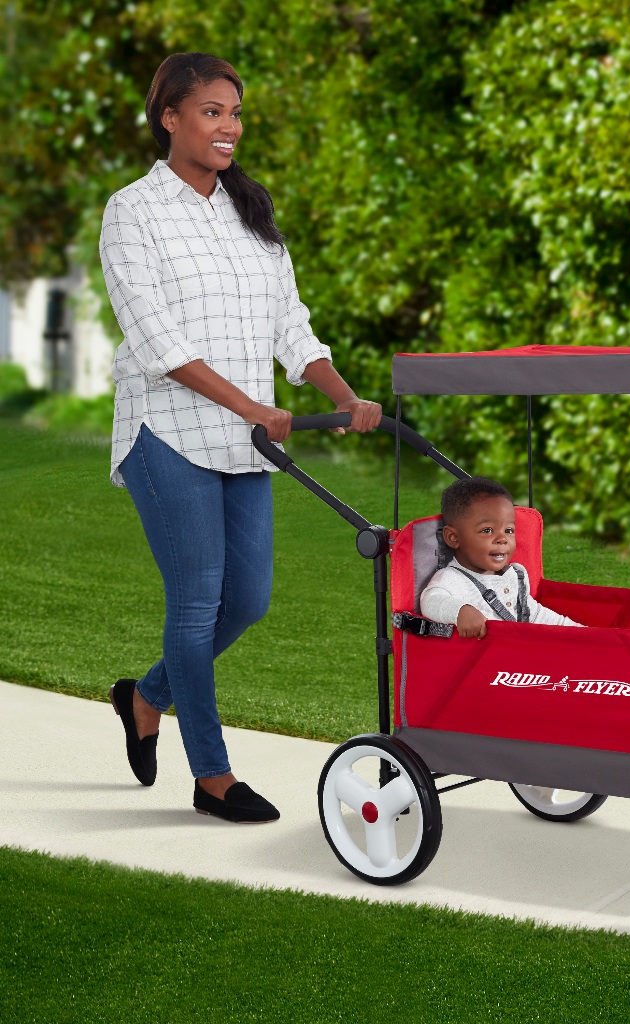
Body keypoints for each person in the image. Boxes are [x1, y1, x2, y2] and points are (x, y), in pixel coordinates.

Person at [100, 52, 381, 823]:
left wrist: (346, 396)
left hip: (245, 440)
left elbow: (292, 326)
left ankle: (146, 696)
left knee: (247, 600)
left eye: (235, 113)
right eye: (211, 112)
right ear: (170, 118)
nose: (229, 128)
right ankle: (212, 777)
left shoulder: (250, 213)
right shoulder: (133, 212)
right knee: (195, 603)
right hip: (167, 430)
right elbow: (155, 338)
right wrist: (251, 407)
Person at [420, 477, 582, 637]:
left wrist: (583, 632)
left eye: (509, 530)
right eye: (487, 530)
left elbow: (535, 615)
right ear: (454, 538)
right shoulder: (452, 579)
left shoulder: (514, 575)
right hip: (485, 660)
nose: (502, 539)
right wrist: (460, 611)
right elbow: (430, 600)